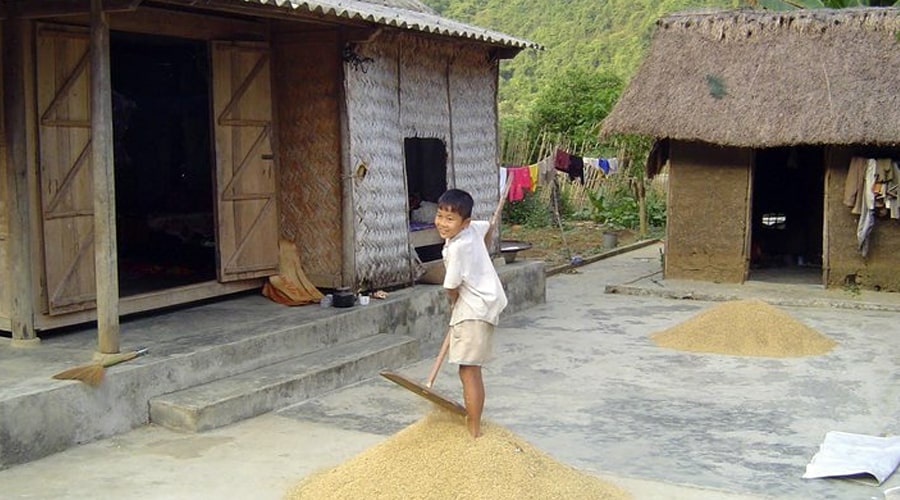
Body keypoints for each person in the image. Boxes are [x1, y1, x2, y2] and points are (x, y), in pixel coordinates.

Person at [433, 188, 508, 438]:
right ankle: (473, 424)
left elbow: (452, 288)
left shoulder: (457, 248)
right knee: (469, 368)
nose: (443, 223)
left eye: (450, 219)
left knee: (469, 369)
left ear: (464, 222)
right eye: (440, 215)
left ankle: (474, 430)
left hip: (473, 308)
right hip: (484, 303)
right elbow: (488, 225)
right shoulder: (472, 230)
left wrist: (454, 306)